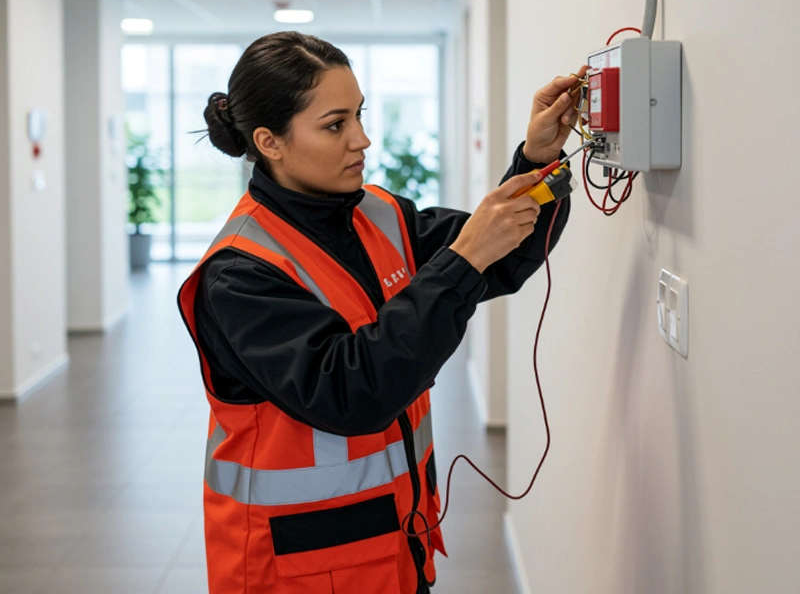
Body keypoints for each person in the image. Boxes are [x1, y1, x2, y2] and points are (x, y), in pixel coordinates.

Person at [177, 32, 584, 594]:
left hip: (395, 549)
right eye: (335, 124)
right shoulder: (240, 274)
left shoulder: (382, 215)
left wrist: (537, 158)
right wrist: (462, 258)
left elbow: (505, 253)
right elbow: (354, 390)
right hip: (297, 570)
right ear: (270, 142)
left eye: (359, 115)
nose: (361, 140)